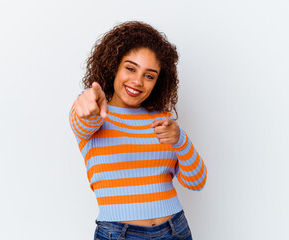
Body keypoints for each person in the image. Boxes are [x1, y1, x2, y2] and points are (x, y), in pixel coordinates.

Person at [69, 21, 207, 240]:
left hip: (175, 229)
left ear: (157, 82)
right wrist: (85, 102)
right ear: (114, 65)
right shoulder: (94, 112)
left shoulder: (163, 119)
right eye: (130, 68)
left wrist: (180, 139)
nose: (137, 81)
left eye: (149, 75)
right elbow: (85, 118)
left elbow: (196, 181)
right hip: (118, 233)